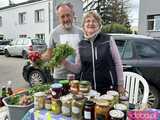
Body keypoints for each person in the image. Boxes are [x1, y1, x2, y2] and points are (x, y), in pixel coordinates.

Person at [61, 11, 125, 94]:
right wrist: (65, 62)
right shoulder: (81, 45)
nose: (91, 23)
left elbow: (118, 63)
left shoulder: (108, 40)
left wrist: (120, 85)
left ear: (99, 25)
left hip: (108, 88)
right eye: (88, 21)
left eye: (94, 21)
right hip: (87, 90)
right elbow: (78, 68)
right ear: (84, 26)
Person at [41, 2, 83, 80]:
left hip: (78, 76)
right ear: (59, 18)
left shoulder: (81, 32)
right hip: (60, 78)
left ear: (73, 14)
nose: (66, 19)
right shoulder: (54, 33)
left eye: (68, 15)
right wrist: (37, 58)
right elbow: (49, 55)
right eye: (62, 16)